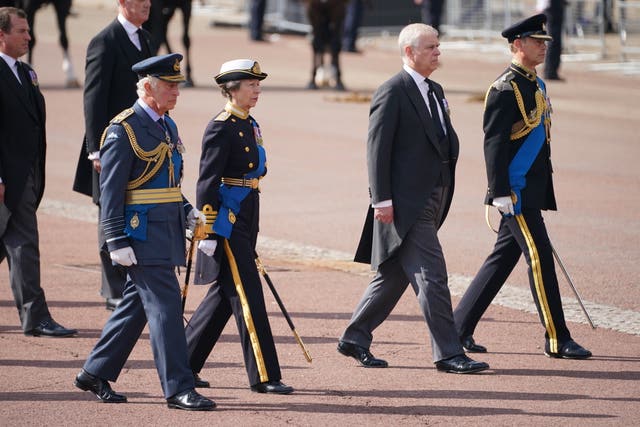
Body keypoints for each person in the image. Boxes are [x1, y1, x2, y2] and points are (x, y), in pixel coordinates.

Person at [337, 23, 489, 374]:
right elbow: (377, 150)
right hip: (406, 204)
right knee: (432, 276)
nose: (438, 52)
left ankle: (355, 336)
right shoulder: (392, 90)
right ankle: (449, 353)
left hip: (434, 197)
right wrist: (382, 200)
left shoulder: (434, 89)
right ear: (410, 52)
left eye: (438, 46)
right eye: (431, 47)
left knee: (393, 275)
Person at [73, 53, 215, 411]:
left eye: (177, 86)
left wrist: (186, 212)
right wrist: (115, 239)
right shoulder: (124, 128)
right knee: (166, 311)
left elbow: (165, 184)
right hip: (139, 236)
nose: (176, 93)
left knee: (136, 307)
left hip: (163, 232)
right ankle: (179, 387)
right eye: (169, 86)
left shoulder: (167, 126)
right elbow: (110, 190)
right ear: (148, 87)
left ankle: (94, 371)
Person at [452, 14, 592, 360]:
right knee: (539, 256)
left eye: (544, 42)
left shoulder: (535, 85)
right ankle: (557, 337)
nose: (543, 47)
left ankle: (455, 329)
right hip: (514, 191)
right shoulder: (504, 89)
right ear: (517, 45)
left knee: (501, 259)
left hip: (530, 187)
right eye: (536, 42)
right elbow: (495, 145)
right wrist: (499, 191)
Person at [185, 59, 294, 394]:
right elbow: (206, 182)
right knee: (248, 292)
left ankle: (181, 364)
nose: (257, 90)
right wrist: (210, 231)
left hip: (248, 212)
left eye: (258, 84)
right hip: (227, 220)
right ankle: (264, 375)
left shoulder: (250, 123)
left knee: (224, 293)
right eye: (251, 85)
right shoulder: (221, 125)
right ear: (232, 89)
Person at [0, 6, 76, 338]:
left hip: (26, 173)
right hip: (7, 177)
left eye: (29, 31)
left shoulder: (26, 71)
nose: (29, 37)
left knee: (15, 243)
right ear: (1, 35)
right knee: (24, 244)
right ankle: (36, 315)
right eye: (21, 32)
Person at [72, 0, 153, 311]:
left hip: (141, 142)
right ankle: (113, 288)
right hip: (112, 143)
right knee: (110, 211)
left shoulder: (145, 38)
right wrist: (96, 148)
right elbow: (93, 97)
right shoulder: (104, 41)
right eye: (139, 0)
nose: (147, 4)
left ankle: (132, 283)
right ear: (122, 3)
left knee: (135, 206)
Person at [540, 0, 566, 80]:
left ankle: (551, 70)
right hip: (552, 8)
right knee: (553, 41)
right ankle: (550, 71)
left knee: (555, 41)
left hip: (554, 7)